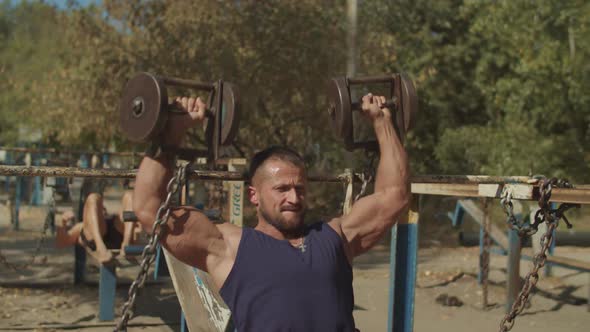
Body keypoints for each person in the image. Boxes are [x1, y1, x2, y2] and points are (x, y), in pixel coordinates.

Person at [133, 94, 410, 331]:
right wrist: (173, 132)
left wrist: (382, 122)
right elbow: (149, 210)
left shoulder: (335, 238)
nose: (293, 198)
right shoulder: (228, 247)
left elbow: (394, 196)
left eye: (300, 188)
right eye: (282, 189)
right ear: (254, 195)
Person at [56, 189, 137, 263]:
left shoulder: (116, 220)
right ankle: (100, 248)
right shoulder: (82, 226)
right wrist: (62, 222)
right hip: (95, 241)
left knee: (130, 195)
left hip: (120, 238)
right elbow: (62, 242)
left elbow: (139, 233)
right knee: (93, 198)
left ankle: (127, 243)